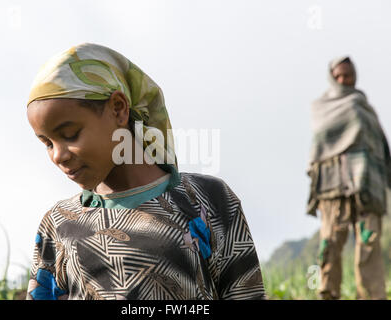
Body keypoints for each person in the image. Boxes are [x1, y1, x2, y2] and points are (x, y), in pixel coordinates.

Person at [25, 43, 265, 300]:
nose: (58, 155)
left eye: (70, 134)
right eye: (47, 143)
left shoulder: (208, 200)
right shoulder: (59, 223)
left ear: (118, 108)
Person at [307, 56, 391, 300]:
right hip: (332, 188)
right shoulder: (320, 107)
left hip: (366, 188)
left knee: (368, 247)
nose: (344, 79)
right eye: (339, 75)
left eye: (349, 75)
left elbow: (380, 146)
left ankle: (372, 296)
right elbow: (318, 147)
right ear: (332, 77)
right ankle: (328, 294)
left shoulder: (362, 106)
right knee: (330, 246)